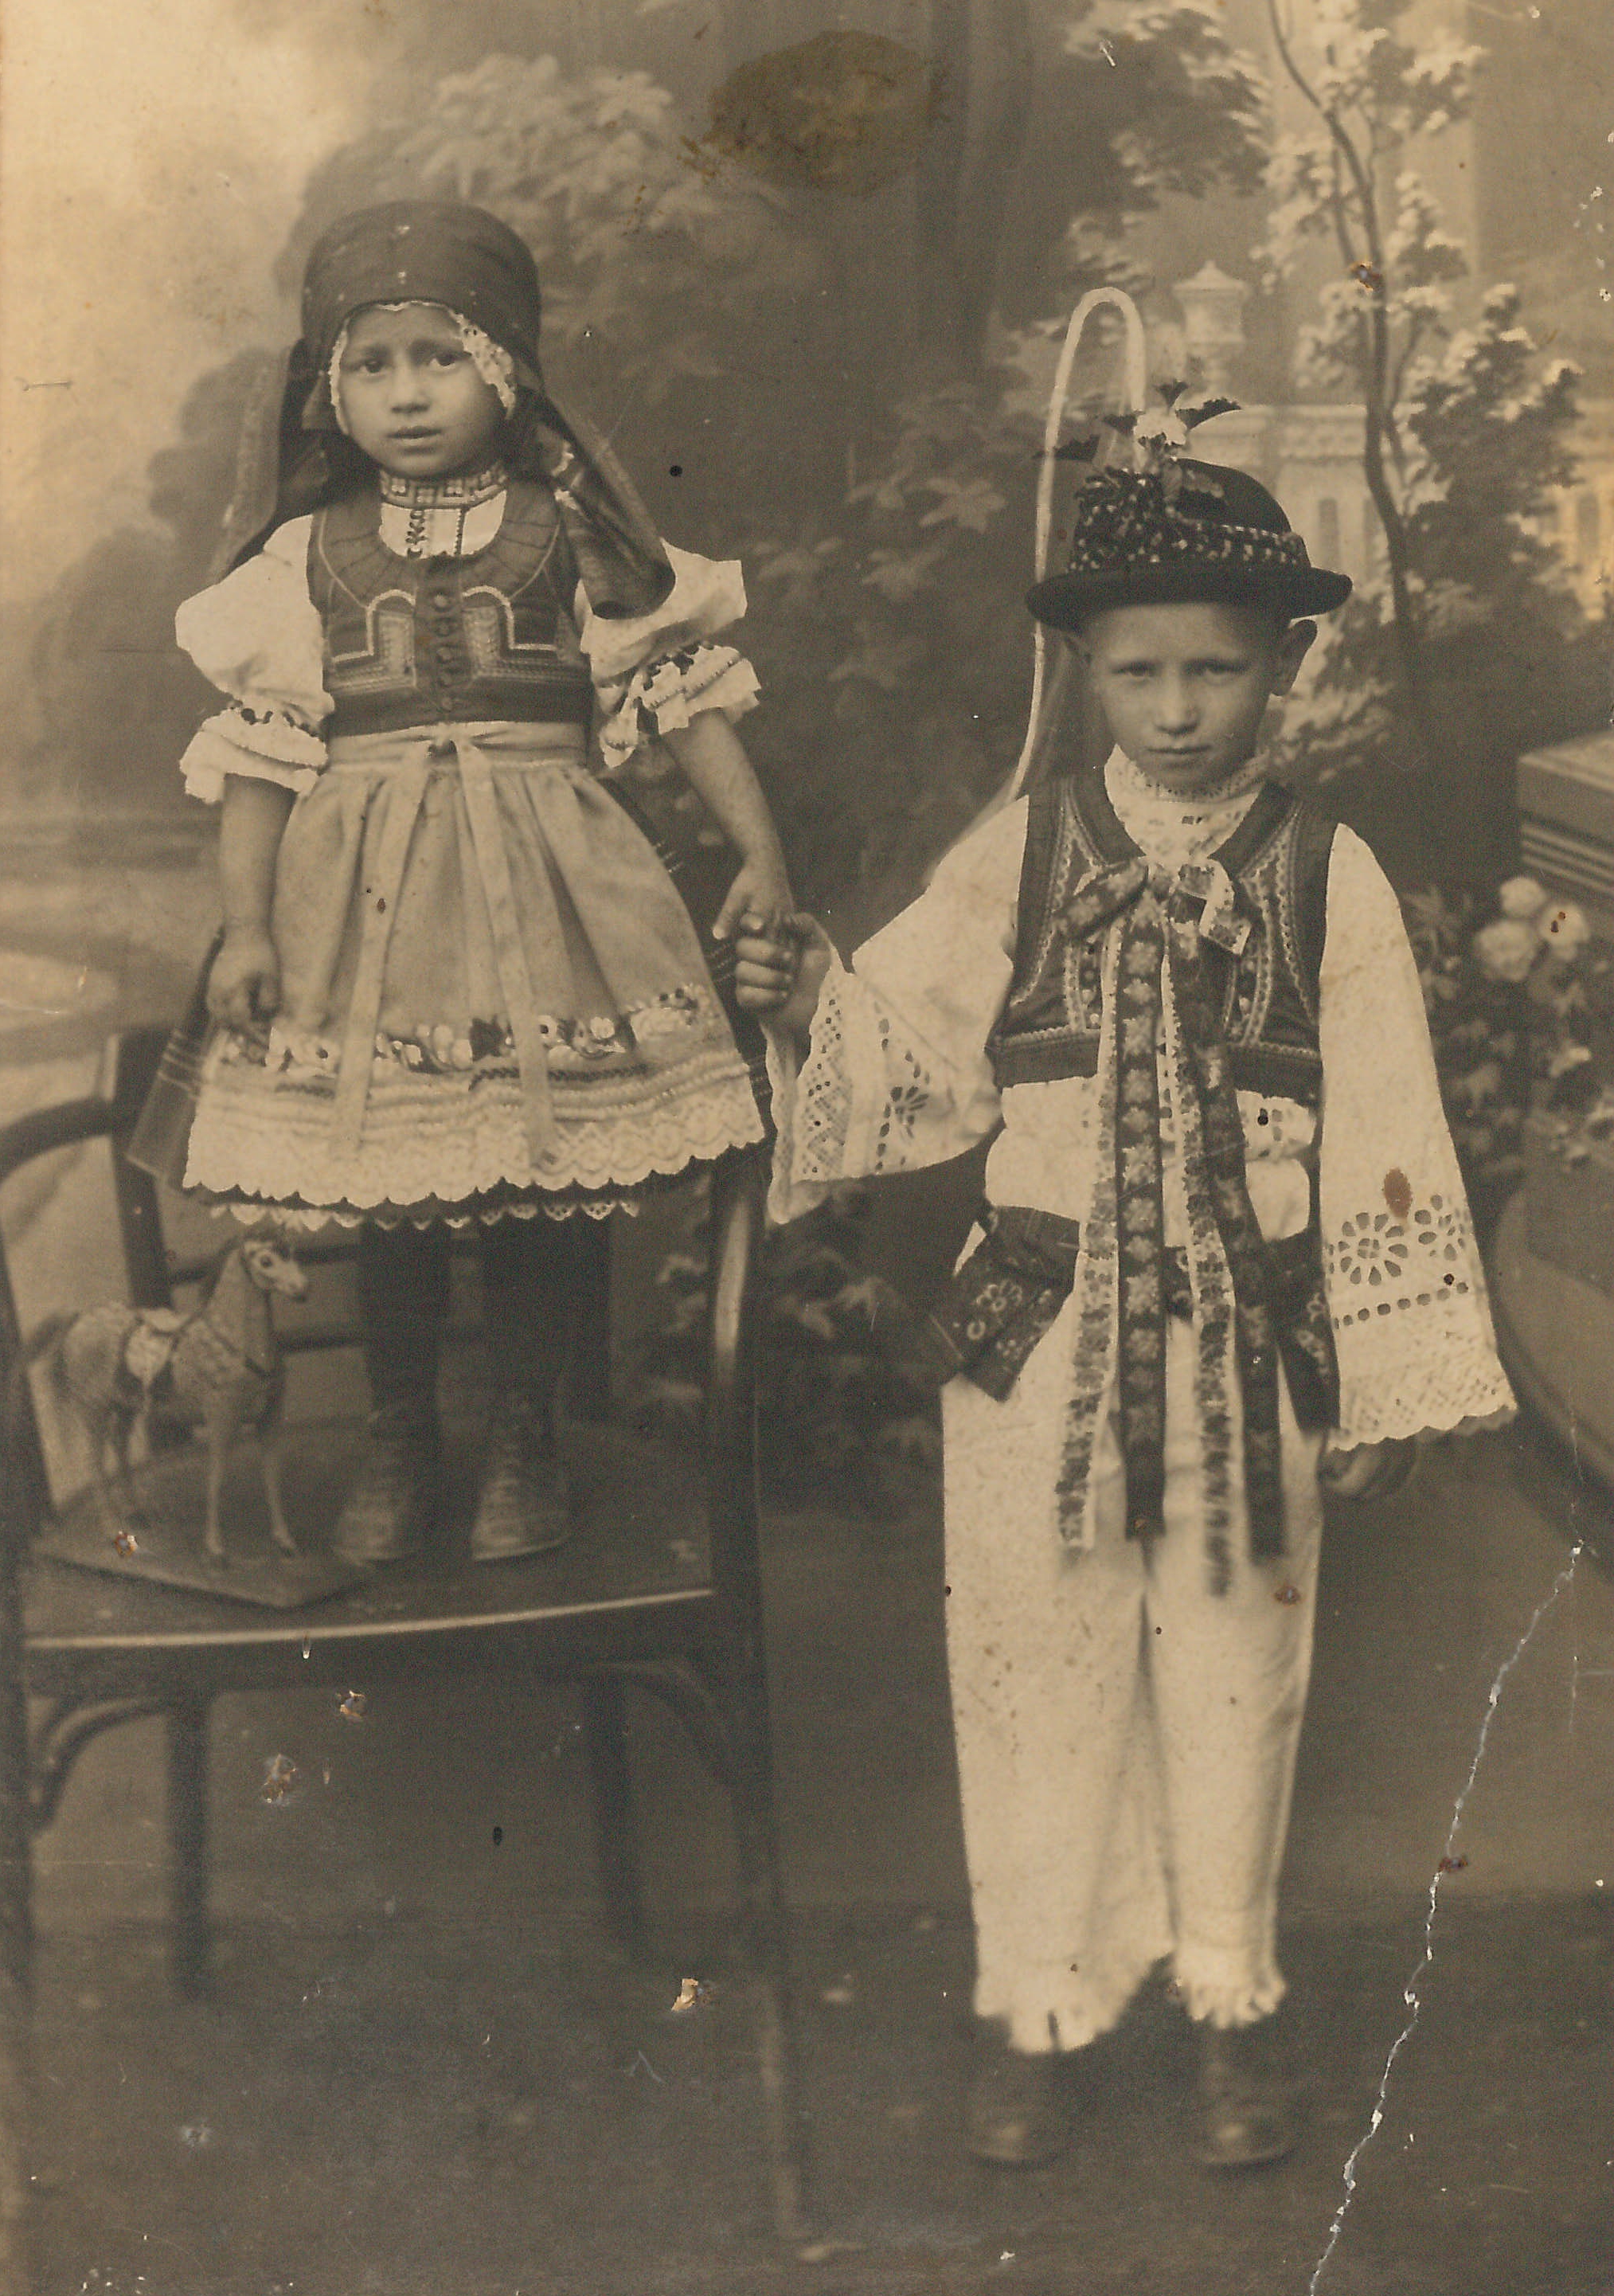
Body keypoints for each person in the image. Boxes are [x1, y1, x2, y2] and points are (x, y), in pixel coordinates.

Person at [734, 449, 1514, 2170]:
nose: (1175, 709)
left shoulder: (1330, 874)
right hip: (1036, 1342)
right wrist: (806, 1003)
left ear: (1284, 663)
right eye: (1138, 670)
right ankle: (1045, 2001)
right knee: (1035, 1669)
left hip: (1252, 1354)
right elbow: (906, 1055)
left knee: (1238, 1670)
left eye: (1214, 668)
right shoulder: (1020, 855)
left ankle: (1229, 1994)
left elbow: (1392, 1132)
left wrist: (1390, 1378)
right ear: (1084, 667)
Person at [162, 199, 790, 1567]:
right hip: (364, 917)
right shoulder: (302, 556)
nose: (408, 394)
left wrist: (761, 854)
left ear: (504, 370)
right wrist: (249, 928)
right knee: (391, 1193)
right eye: (374, 364)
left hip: (552, 902)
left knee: (541, 1189)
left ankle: (524, 1435)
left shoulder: (575, 534)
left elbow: (684, 703)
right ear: (332, 393)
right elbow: (260, 761)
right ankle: (401, 1437)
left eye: (439, 358)